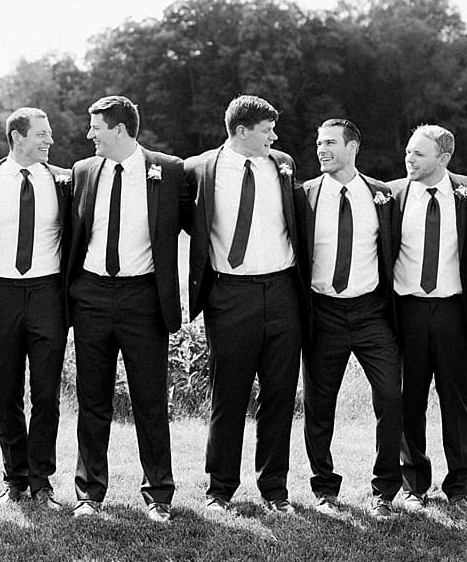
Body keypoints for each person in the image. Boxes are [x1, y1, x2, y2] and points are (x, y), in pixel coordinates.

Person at [66, 95, 188, 522]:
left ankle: (158, 496)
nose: (89, 134)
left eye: (95, 127)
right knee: (92, 399)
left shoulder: (169, 170)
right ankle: (89, 494)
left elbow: (200, 223)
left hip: (143, 299)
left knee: (150, 401)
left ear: (119, 129)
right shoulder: (83, 171)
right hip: (92, 296)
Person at [182, 95, 305, 514]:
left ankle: (275, 490)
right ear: (241, 130)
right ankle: (220, 489)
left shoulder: (282, 164)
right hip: (229, 294)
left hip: (285, 291)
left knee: (280, 394)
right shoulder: (198, 169)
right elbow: (187, 222)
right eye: (267, 129)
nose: (275, 135)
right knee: (228, 394)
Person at [299, 118, 402, 520]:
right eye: (318, 143)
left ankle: (384, 492)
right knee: (319, 404)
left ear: (353, 146)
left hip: (372, 312)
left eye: (329, 143)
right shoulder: (303, 194)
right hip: (322, 313)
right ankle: (324, 488)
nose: (321, 150)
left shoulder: (381, 195)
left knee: (391, 398)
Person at [0, 108, 71, 510]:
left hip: (48, 294)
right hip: (1, 295)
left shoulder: (64, 180)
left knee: (46, 392)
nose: (50, 141)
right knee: (7, 390)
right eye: (42, 135)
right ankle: (13, 477)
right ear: (17, 137)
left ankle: (41, 479)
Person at [385, 125, 467, 514]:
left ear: (443, 159)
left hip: (455, 313)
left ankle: (461, 487)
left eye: (419, 154)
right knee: (408, 400)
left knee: (456, 402)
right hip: (405, 311)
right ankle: (414, 484)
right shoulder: (390, 195)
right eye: (408, 151)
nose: (409, 159)